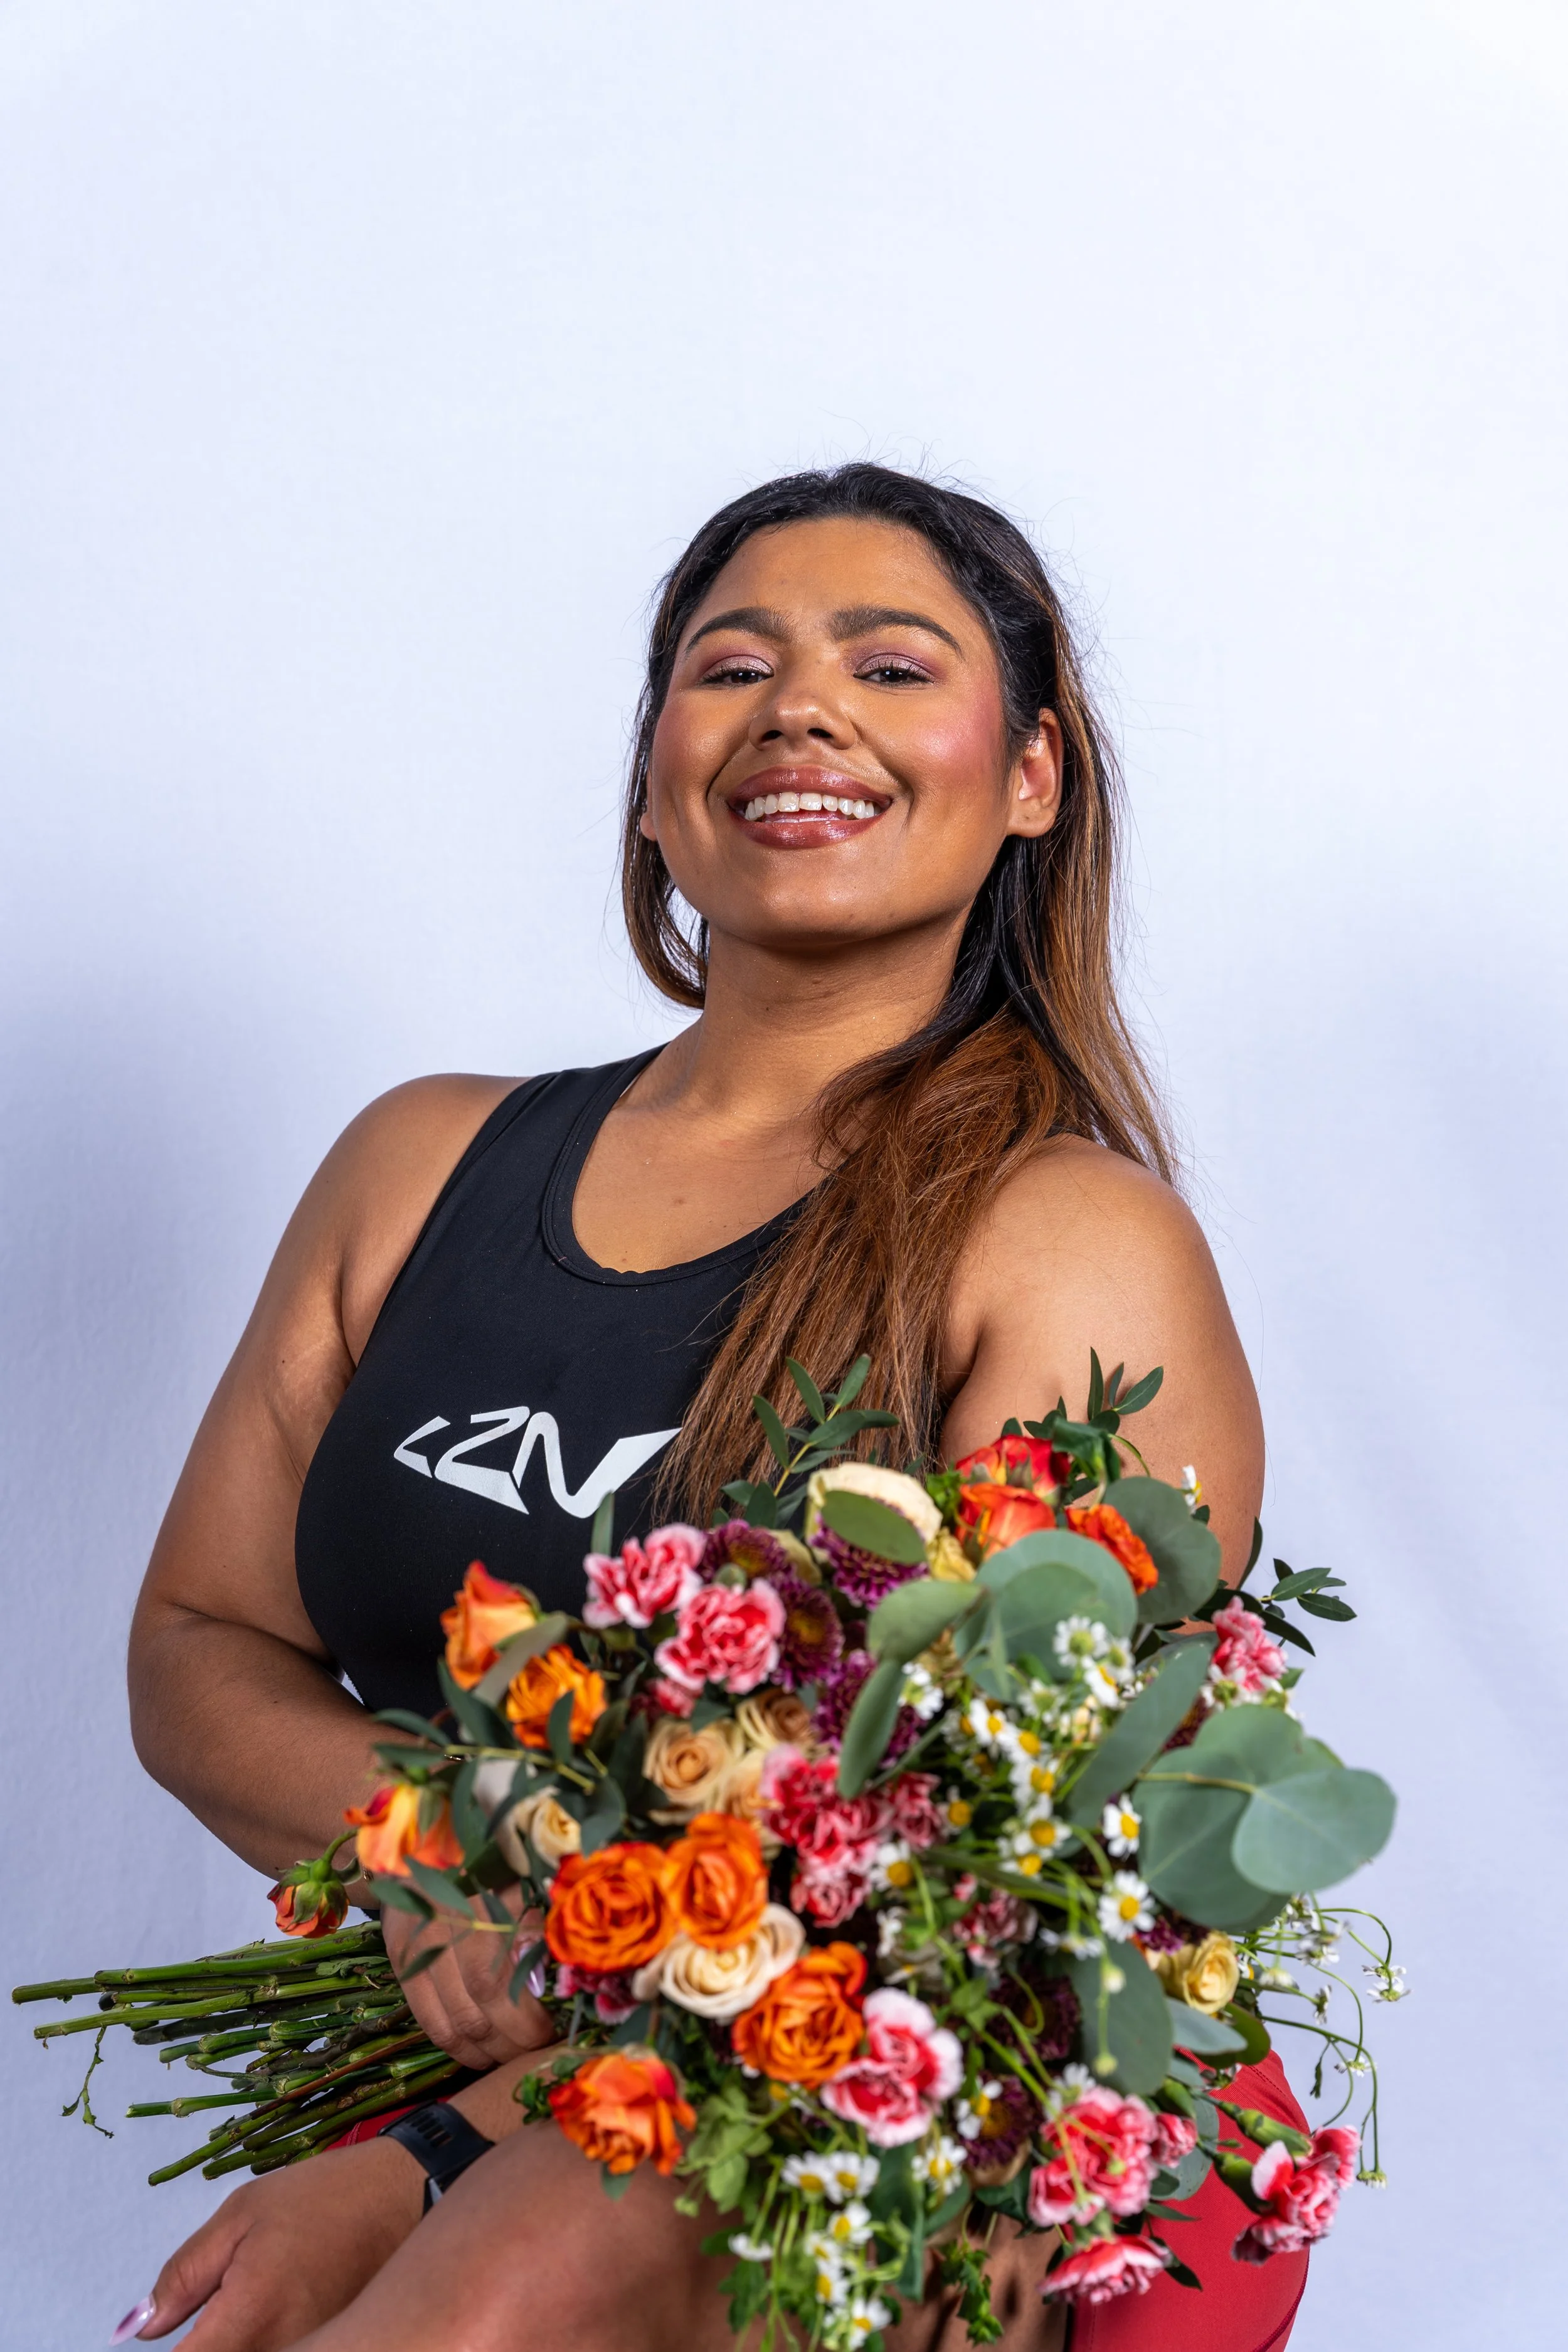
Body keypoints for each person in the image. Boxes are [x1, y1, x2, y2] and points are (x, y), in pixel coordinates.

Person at [123, 464, 1308, 2352]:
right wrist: (434, 1829)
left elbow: (994, 1888)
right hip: (523, 2066)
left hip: (894, 2110)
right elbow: (196, 1640)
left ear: (1032, 774)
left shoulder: (1068, 1240)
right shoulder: (421, 1164)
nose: (798, 709)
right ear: (658, 761)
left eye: (893, 664)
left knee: (478, 2295)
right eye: (727, 663)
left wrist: (427, 2157)